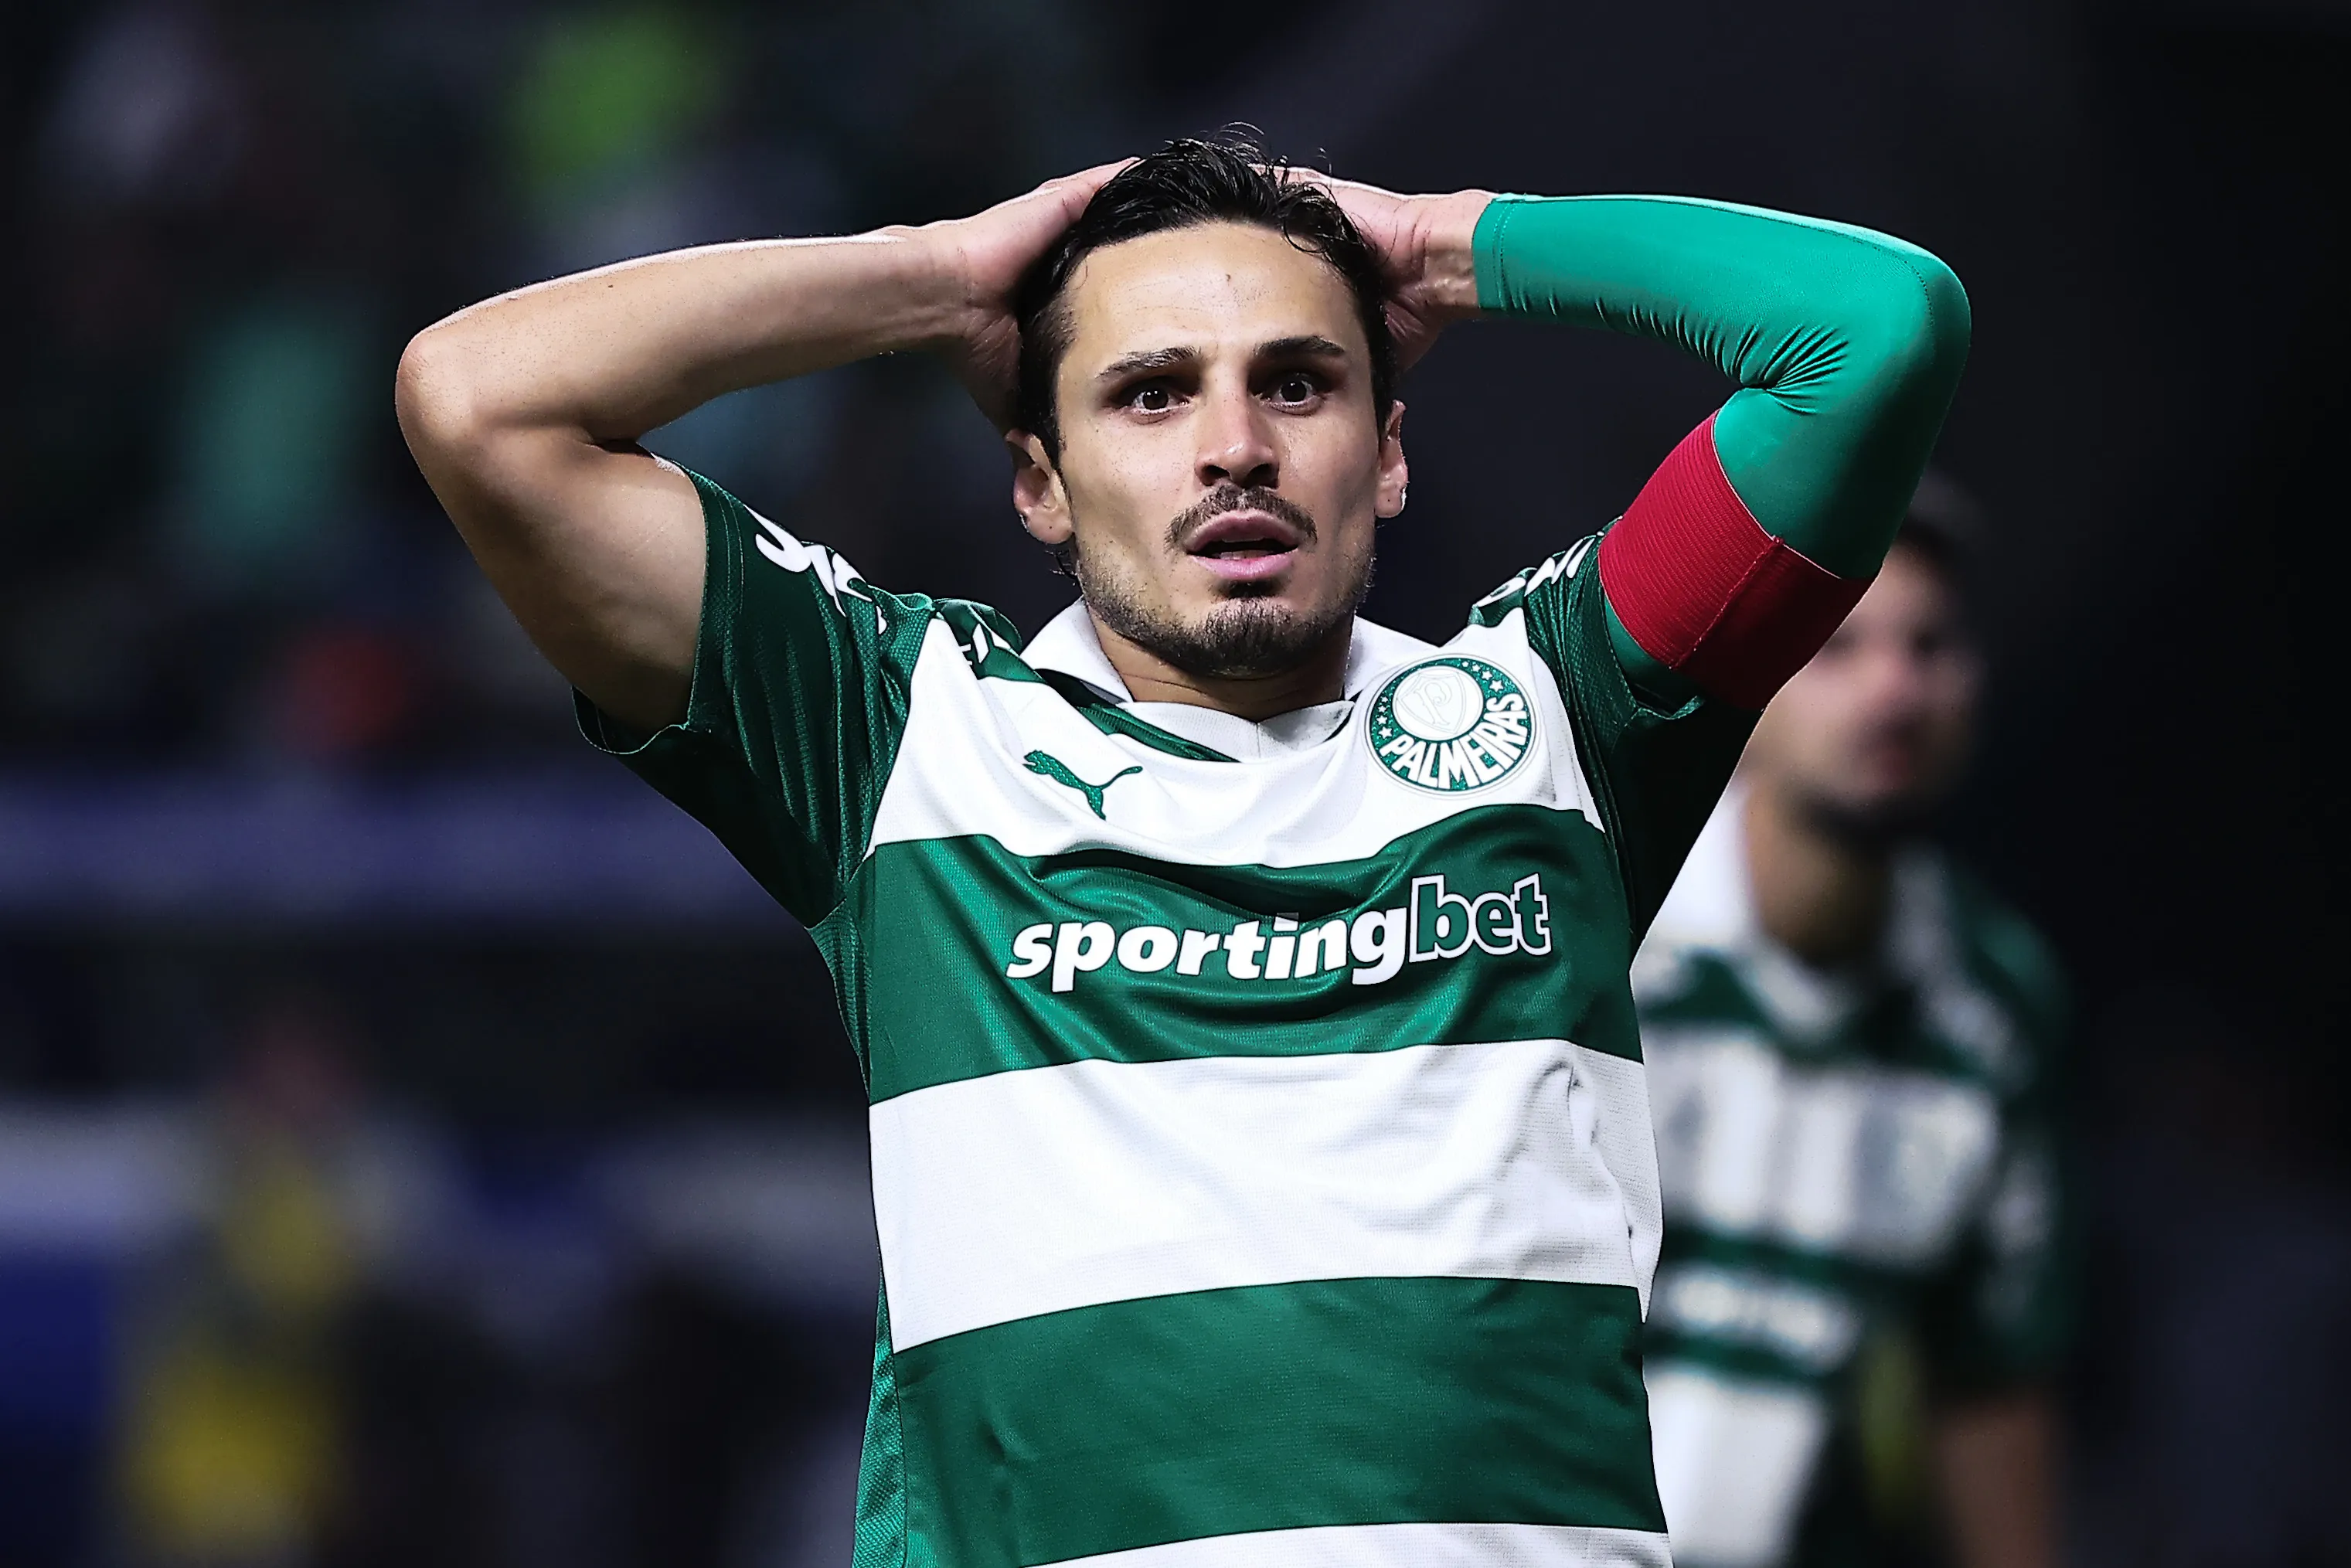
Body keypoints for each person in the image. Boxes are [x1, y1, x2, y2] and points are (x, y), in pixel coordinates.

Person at [396, 135, 1968, 1568]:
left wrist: (1445, 243)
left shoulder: (1564, 715)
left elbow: (1872, 328)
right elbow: (484, 401)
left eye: (1298, 383)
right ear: (1038, 480)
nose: (1234, 445)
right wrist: (936, 278)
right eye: (1150, 393)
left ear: (1391, 452)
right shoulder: (899, 734)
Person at [1634, 488, 2069, 1568]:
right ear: (1745, 680)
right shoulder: (1600, 926)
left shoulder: (1992, 1007)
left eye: (1929, 646)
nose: (1895, 690)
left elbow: (1986, 1385)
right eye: (1837, 649)